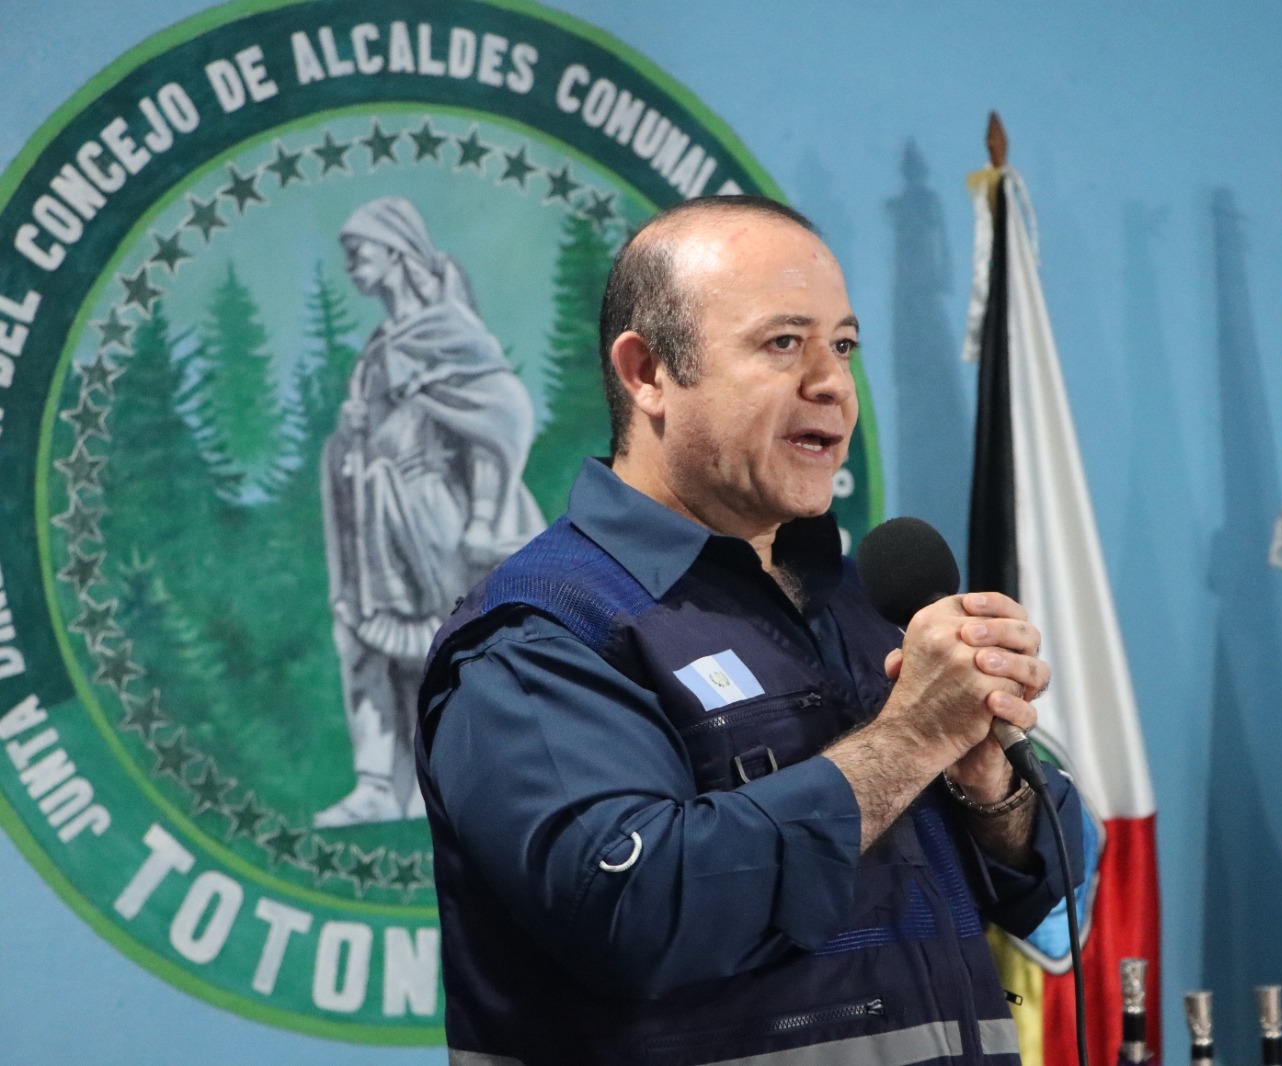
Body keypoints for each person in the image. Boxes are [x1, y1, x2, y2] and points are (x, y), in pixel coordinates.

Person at [416, 196, 1084, 1065]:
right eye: (783, 344)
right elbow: (635, 912)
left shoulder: (865, 600)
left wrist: (988, 784)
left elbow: (1061, 900)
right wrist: (910, 739)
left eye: (842, 346)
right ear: (648, 371)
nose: (832, 383)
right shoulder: (540, 635)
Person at [316, 196, 545, 828]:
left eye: (359, 249)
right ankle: (373, 784)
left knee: (443, 645)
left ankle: (444, 779)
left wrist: (486, 514)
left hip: (430, 512)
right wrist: (351, 438)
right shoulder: (379, 343)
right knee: (364, 643)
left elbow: (503, 412)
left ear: (395, 251)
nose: (351, 263)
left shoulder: (448, 329)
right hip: (371, 515)